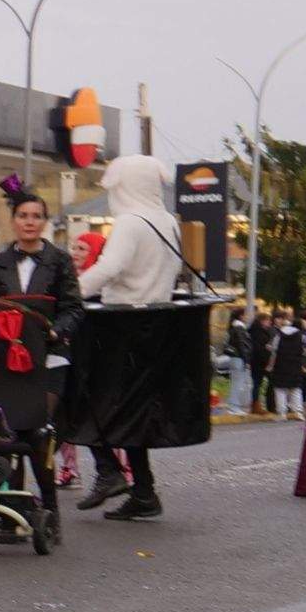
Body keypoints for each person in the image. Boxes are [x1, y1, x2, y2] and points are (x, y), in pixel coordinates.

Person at [73, 154, 186, 520]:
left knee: (81, 394)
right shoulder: (168, 221)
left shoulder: (129, 223)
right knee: (132, 410)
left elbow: (109, 267)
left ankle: (108, 469)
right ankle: (143, 491)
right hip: (156, 328)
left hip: (119, 327)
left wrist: (70, 294)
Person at [0, 185, 78, 519]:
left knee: (37, 430)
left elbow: (74, 309)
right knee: (9, 433)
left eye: (36, 216)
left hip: (51, 358)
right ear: (13, 221)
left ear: (45, 222)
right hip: (9, 361)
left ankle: (49, 510)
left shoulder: (60, 261)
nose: (29, 222)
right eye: (23, 216)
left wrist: (55, 331)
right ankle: (14, 511)